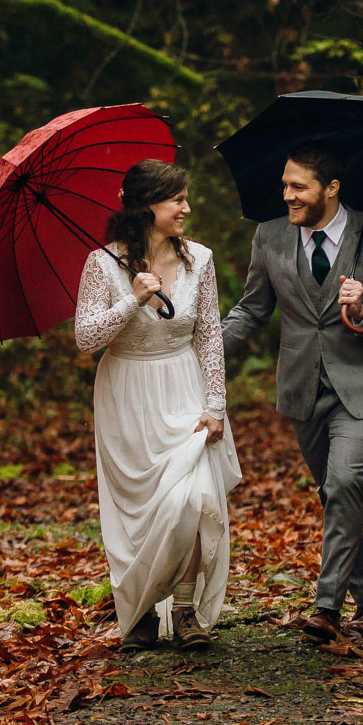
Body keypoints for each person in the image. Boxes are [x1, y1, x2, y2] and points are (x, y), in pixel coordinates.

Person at [222, 144, 363, 643]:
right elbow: (253, 309)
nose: (287, 195)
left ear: (331, 189)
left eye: (298, 186)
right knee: (337, 495)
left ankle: (327, 607)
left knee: (344, 482)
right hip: (302, 388)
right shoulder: (270, 236)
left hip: (362, 388)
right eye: (285, 185)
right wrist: (200, 347)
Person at [74, 159, 242, 650]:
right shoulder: (102, 264)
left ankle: (187, 610)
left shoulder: (201, 260)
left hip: (184, 386)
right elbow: (86, 337)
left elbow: (209, 334)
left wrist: (216, 404)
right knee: (139, 512)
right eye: (178, 200)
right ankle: (142, 610)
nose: (187, 208)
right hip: (126, 393)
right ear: (147, 206)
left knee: (192, 497)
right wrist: (132, 300)